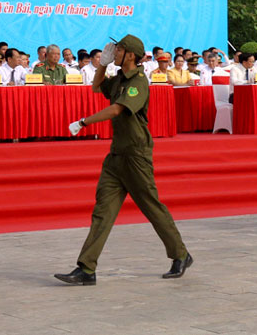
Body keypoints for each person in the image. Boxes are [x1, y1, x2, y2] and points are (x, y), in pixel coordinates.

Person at [57, 35, 192, 284]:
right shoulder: (119, 77)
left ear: (130, 54)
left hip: (136, 154)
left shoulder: (138, 81)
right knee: (102, 212)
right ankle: (86, 268)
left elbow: (118, 108)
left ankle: (180, 254)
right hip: (117, 154)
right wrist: (103, 65)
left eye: (118, 49)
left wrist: (84, 122)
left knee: (151, 206)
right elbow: (97, 87)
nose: (114, 51)